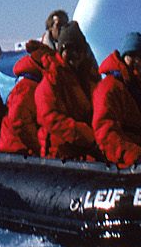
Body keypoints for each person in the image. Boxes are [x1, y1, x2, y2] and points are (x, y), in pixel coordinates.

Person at [93, 31, 141, 167]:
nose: (138, 61)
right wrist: (134, 156)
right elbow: (105, 132)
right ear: (124, 57)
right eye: (132, 55)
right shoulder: (110, 87)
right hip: (126, 162)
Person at [35, 21, 99, 160]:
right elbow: (50, 118)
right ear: (60, 51)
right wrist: (88, 136)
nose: (74, 54)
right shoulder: (51, 80)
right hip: (59, 155)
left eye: (79, 49)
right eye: (68, 49)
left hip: (86, 150)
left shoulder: (90, 77)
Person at [0, 42, 49, 154]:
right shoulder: (28, 87)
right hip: (17, 148)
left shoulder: (30, 84)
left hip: (19, 146)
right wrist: (38, 145)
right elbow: (18, 120)